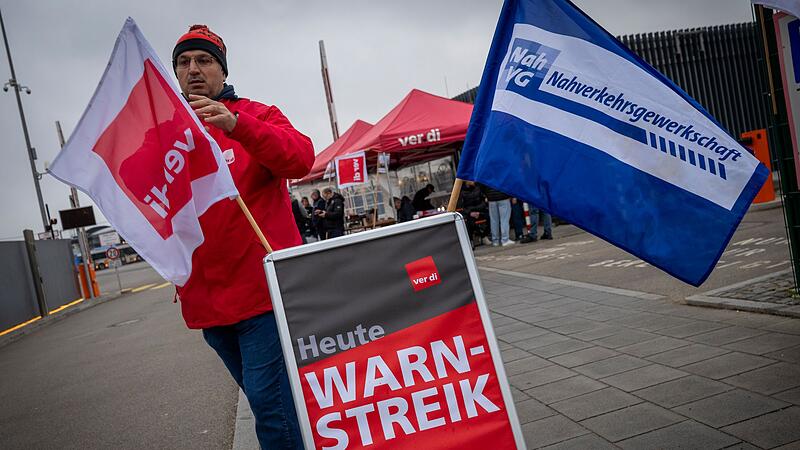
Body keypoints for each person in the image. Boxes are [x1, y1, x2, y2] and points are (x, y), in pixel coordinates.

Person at [171, 25, 313, 449]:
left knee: (271, 410)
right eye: (183, 62)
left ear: (221, 69)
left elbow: (301, 158)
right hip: (208, 307)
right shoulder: (163, 135)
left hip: (264, 297)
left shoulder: (256, 114)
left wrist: (237, 125)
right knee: (276, 405)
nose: (194, 69)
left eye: (204, 60)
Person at [459, 181, 491, 247]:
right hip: (469, 214)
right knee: (469, 222)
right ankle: (474, 239)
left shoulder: (478, 188)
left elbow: (484, 201)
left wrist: (478, 212)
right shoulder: (461, 192)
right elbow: (461, 207)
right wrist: (470, 213)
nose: (473, 181)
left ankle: (484, 235)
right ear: (466, 182)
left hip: (480, 211)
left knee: (491, 217)